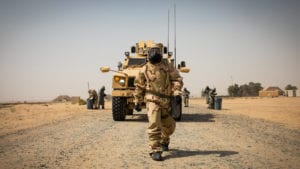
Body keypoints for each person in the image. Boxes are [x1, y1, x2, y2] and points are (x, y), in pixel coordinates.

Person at [133, 44, 183, 161]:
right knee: (154, 123)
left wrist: (176, 93)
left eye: (157, 50)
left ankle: (164, 140)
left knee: (170, 126)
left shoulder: (168, 67)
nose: (155, 52)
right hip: (152, 100)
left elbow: (176, 79)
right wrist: (137, 100)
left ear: (161, 53)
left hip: (166, 100)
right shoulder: (144, 69)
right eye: (152, 50)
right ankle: (155, 149)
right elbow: (139, 86)